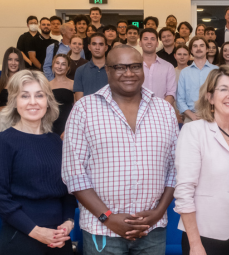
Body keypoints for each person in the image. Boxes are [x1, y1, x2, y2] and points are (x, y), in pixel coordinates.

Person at [62, 46, 178, 255]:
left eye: (135, 66)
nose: (129, 73)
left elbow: (175, 169)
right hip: (102, 229)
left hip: (151, 229)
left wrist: (158, 213)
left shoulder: (164, 110)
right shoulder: (84, 109)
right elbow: (74, 173)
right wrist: (107, 216)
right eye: (120, 67)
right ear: (107, 70)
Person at [174, 66, 229, 255]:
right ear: (210, 97)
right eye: (223, 89)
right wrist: (195, 244)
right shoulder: (194, 131)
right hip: (206, 237)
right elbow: (184, 191)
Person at [0, 69, 75, 254]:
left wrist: (68, 221)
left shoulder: (56, 142)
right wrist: (36, 231)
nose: (33, 102)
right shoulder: (3, 141)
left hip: (58, 240)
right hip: (20, 238)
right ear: (14, 102)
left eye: (39, 95)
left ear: (48, 101)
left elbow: (68, 190)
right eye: (25, 96)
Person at [177, 36, 218, 123]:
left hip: (213, 117)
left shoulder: (216, 70)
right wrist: (191, 115)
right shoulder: (184, 72)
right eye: (195, 46)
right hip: (190, 118)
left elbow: (220, 95)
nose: (198, 48)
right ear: (191, 51)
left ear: (207, 49)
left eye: (201, 46)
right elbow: (180, 99)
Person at [0, 47, 26, 131]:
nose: (13, 63)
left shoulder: (26, 82)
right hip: (2, 119)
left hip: (20, 119)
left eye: (17, 60)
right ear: (6, 61)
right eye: (10, 59)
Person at [139, 28, 177, 107]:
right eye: (145, 39)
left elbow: (171, 93)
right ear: (140, 43)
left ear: (157, 43)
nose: (149, 42)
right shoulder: (133, 66)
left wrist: (159, 110)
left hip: (161, 113)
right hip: (137, 112)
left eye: (153, 39)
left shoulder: (168, 67)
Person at [73, 34, 109, 100]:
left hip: (109, 109)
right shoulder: (80, 70)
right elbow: (79, 100)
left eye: (101, 44)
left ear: (106, 48)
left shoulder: (114, 69)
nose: (97, 47)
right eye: (94, 44)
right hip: (88, 109)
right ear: (89, 47)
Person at [49, 54, 75, 136]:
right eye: (57, 63)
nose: (59, 66)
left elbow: (76, 107)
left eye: (63, 64)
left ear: (68, 68)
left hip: (68, 125)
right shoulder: (46, 85)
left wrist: (70, 127)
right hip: (50, 125)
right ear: (53, 65)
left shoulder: (73, 84)